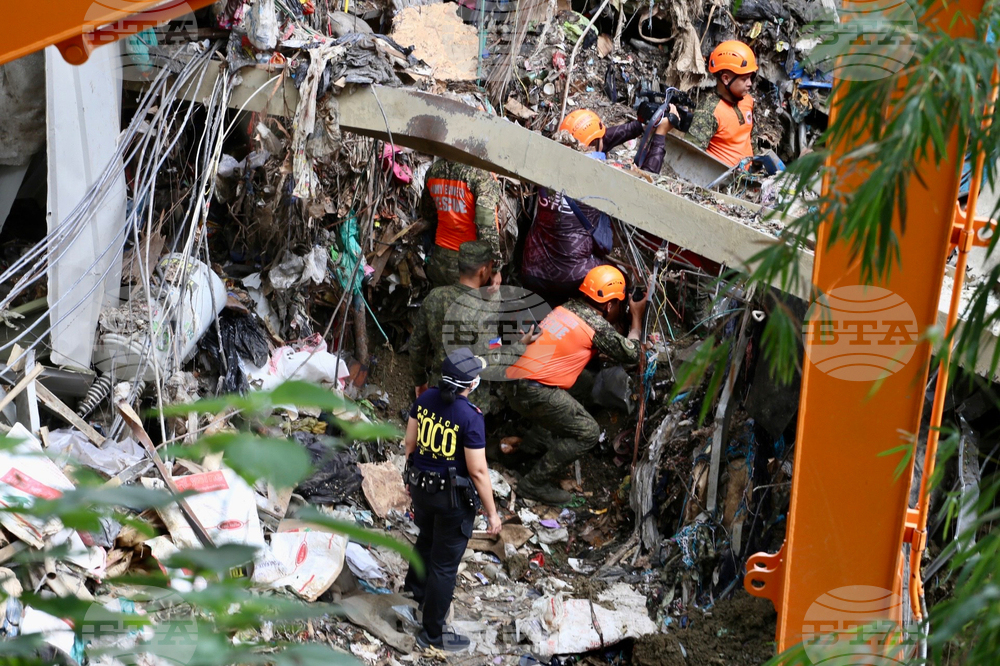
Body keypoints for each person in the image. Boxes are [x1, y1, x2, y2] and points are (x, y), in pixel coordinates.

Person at [504, 265, 648, 503]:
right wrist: (636, 319)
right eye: (619, 304)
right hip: (533, 391)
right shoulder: (597, 326)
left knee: (586, 383)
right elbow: (633, 354)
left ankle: (531, 446)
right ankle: (533, 484)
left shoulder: (566, 308)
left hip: (516, 380)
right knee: (589, 433)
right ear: (610, 305)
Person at [403, 348, 502, 651]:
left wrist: (410, 482)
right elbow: (478, 471)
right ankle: (431, 633)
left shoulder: (424, 400)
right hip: (452, 502)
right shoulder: (470, 417)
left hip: (422, 490)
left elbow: (410, 444)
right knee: (445, 565)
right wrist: (492, 513)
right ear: (469, 386)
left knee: (426, 538)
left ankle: (414, 592)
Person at [410, 240, 541, 412]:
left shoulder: (435, 297)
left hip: (439, 388)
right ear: (483, 270)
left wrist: (420, 381)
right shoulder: (485, 309)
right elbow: (492, 362)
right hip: (471, 401)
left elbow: (417, 346)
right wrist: (520, 345)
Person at [420, 159, 504, 288]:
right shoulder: (481, 174)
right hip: (469, 267)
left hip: (439, 259)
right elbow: (486, 225)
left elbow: (428, 213)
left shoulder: (434, 170)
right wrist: (494, 268)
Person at [684, 40, 759, 168]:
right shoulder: (709, 111)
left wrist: (758, 166)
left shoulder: (748, 100)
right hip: (722, 181)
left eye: (750, 78)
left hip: (748, 176)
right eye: (744, 79)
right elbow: (691, 156)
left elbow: (752, 137)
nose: (750, 84)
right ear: (725, 78)